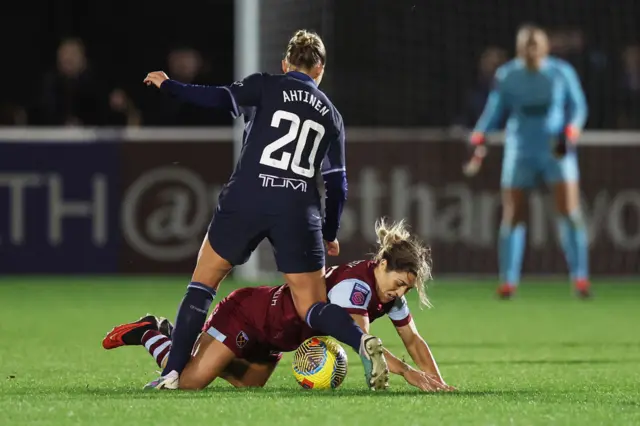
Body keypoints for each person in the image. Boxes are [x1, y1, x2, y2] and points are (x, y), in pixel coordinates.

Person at [141, 30, 389, 390]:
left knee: (203, 283)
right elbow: (337, 185)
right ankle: (360, 341)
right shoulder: (332, 116)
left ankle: (172, 372)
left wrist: (170, 86)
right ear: (320, 69)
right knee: (311, 306)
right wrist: (329, 231)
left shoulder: (266, 85)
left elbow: (217, 98)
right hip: (297, 208)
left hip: (248, 197)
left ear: (285, 63)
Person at [103, 219, 453, 392]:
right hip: (248, 316)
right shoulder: (355, 289)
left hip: (276, 338)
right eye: (399, 283)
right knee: (190, 381)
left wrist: (436, 382)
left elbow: (413, 341)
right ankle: (151, 332)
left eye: (407, 288)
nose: (399, 292)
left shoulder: (386, 293)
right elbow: (365, 346)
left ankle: (186, 340)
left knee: (251, 384)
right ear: (381, 264)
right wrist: (408, 373)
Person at [463, 24, 590, 299]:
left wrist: (573, 129)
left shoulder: (560, 72)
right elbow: (495, 110)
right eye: (526, 46)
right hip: (520, 149)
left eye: (536, 45)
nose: (532, 51)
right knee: (513, 214)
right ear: (520, 49)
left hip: (555, 147)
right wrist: (480, 133)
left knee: (569, 211)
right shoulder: (508, 75)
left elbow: (578, 106)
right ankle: (508, 281)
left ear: (545, 47)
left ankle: (580, 278)